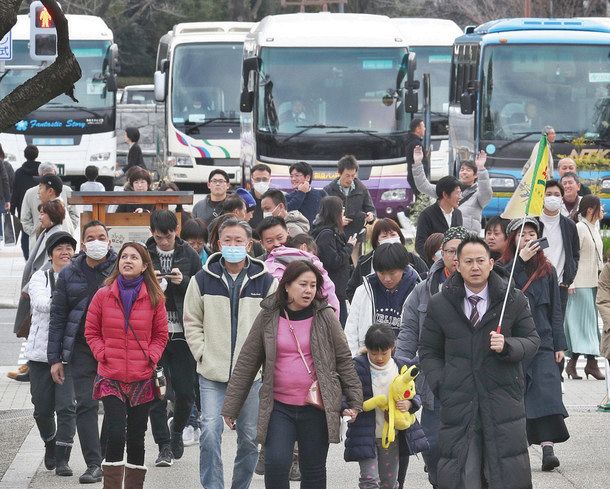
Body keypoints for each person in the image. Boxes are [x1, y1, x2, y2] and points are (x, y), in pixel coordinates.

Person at [221, 260, 363, 489]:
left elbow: (344, 359)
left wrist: (355, 400)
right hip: (278, 406)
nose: (308, 290)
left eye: (313, 285)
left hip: (316, 406)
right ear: (287, 285)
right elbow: (247, 361)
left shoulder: (325, 316)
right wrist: (231, 407)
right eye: (303, 284)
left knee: (313, 469)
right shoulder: (269, 315)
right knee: (276, 463)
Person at [419, 236, 540, 489]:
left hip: (502, 398)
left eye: (480, 261)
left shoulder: (512, 299)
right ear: (457, 264)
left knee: (503, 473)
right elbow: (429, 350)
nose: (475, 267)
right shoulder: (441, 303)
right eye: (468, 261)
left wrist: (508, 346)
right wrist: (442, 383)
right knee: (465, 473)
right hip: (459, 401)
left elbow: (532, 340)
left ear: (491, 263)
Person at [183, 218, 277, 489]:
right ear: (218, 243)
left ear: (249, 244)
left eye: (239, 241)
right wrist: (202, 354)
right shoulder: (201, 279)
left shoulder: (266, 281)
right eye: (228, 240)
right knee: (210, 433)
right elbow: (192, 321)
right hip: (212, 371)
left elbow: (272, 325)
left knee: (248, 437)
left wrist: (262, 361)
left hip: (251, 374)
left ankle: (240, 485)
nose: (233, 245)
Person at [85, 242, 168, 488]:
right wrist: (103, 353)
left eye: (134, 257)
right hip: (111, 373)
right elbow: (90, 331)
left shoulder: (154, 297)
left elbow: (161, 335)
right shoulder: (103, 294)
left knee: (136, 437)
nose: (127, 260)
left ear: (144, 266)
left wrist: (151, 357)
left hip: (142, 375)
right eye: (124, 256)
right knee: (115, 432)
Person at [396, 225, 470, 488]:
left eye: (461, 252)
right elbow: (407, 333)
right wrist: (399, 369)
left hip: (470, 379)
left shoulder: (480, 289)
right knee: (432, 443)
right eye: (450, 251)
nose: (455, 257)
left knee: (468, 448)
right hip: (433, 379)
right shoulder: (422, 290)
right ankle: (439, 478)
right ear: (441, 254)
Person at [48, 221, 117, 484]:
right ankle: (93, 463)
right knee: (86, 405)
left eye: (102, 236)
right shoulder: (69, 273)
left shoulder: (120, 268)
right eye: (91, 237)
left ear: (109, 241)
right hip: (80, 348)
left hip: (113, 347)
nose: (97, 241)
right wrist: (55, 358)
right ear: (83, 242)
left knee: (113, 406)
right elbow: (58, 318)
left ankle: (105, 454)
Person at [501, 218, 569, 471]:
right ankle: (519, 450)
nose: (528, 238)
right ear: (512, 240)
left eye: (531, 234)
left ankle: (548, 448)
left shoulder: (547, 270)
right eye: (522, 235)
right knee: (519, 397)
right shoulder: (502, 267)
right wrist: (520, 261)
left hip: (543, 341)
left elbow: (556, 309)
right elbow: (502, 291)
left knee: (546, 394)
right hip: (515, 342)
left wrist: (559, 345)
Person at [146, 210, 202, 467]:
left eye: (168, 237)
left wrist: (184, 281)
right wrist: (150, 283)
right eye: (159, 238)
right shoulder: (144, 253)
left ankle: (177, 430)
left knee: (186, 392)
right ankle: (164, 446)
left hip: (182, 332)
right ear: (152, 234)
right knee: (156, 392)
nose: (164, 242)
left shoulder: (189, 254)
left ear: (175, 231)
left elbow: (201, 288)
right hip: (152, 333)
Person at [345, 324, 428, 489]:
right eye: (374, 353)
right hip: (365, 433)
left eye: (384, 352)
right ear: (367, 348)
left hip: (392, 436)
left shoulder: (401, 366)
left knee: (389, 482)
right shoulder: (358, 366)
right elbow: (346, 392)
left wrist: (411, 403)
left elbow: (416, 393)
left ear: (393, 347)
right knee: (369, 480)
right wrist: (348, 409)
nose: (379, 358)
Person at [26, 232, 77, 477]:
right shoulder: (40, 277)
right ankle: (50, 442)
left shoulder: (79, 278)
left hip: (68, 354)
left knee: (67, 407)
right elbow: (40, 304)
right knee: (42, 409)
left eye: (69, 247)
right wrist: (69, 301)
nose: (65, 252)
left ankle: (63, 458)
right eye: (59, 248)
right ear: (50, 254)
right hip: (40, 355)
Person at [345, 242, 420, 356]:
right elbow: (351, 332)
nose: (387, 279)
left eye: (392, 273)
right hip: (367, 360)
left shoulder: (417, 292)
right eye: (381, 273)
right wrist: (355, 361)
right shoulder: (363, 291)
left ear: (403, 268)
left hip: (404, 362)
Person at [260, 217, 340, 317]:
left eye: (280, 238)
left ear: (287, 233)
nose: (276, 244)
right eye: (269, 241)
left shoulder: (307, 259)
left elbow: (328, 291)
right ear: (261, 243)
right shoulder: (260, 267)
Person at [564, 195, 605, 381]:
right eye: (599, 207)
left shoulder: (594, 228)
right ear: (590, 209)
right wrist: (570, 281)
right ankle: (590, 363)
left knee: (587, 325)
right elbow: (571, 255)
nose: (602, 210)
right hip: (579, 283)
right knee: (583, 325)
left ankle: (577, 364)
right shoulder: (580, 228)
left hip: (593, 283)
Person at [413, 147, 491, 234]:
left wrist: (481, 168)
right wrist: (417, 163)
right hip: (446, 241)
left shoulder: (478, 195)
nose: (464, 172)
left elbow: (486, 193)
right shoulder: (447, 189)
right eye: (462, 169)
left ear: (476, 175)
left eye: (468, 170)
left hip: (467, 242)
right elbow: (423, 186)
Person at [347, 218, 428, 301]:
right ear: (376, 241)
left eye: (393, 235)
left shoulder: (413, 261)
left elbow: (426, 285)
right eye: (384, 236)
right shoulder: (365, 262)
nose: (389, 239)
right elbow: (352, 290)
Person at [311, 196, 358, 326]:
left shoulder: (330, 230)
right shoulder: (327, 234)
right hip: (332, 290)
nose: (343, 213)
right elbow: (334, 261)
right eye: (341, 210)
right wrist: (349, 247)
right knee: (340, 327)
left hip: (337, 289)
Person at [538, 180, 580, 314]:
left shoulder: (569, 225)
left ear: (562, 199)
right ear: (542, 197)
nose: (552, 198)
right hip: (537, 283)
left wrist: (569, 278)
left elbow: (575, 254)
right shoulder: (533, 223)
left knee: (557, 326)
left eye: (556, 195)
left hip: (560, 285)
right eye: (548, 194)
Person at [323, 155, 376, 261]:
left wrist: (371, 216)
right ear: (339, 173)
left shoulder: (362, 189)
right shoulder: (328, 190)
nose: (350, 179)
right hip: (336, 236)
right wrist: (338, 221)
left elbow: (371, 209)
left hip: (357, 234)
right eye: (347, 175)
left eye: (353, 176)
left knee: (357, 265)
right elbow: (323, 216)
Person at [20, 163, 79, 250]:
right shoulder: (56, 205)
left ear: (50, 191)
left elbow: (72, 218)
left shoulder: (55, 209)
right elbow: (25, 220)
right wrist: (36, 233)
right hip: (40, 245)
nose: (38, 191)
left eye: (41, 187)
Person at [414, 175, 463, 259]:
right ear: (445, 194)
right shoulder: (427, 215)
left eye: (460, 192)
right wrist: (434, 260)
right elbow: (420, 245)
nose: (460, 197)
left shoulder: (458, 214)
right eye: (457, 193)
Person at [11, 145, 41, 259]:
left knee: (25, 232)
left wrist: (12, 210)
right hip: (40, 206)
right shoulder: (41, 171)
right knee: (41, 230)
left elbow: (15, 192)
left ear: (25, 155)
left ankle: (28, 258)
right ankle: (38, 256)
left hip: (22, 206)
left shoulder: (19, 172)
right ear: (37, 155)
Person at [286, 161, 327, 225]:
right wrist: (301, 193)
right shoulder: (288, 197)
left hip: (317, 233)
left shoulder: (321, 194)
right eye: (291, 176)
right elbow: (288, 212)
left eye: (297, 175)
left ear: (307, 177)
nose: (293, 179)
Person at [405, 118, 428, 196]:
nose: (425, 129)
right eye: (423, 126)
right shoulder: (416, 144)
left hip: (414, 177)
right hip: (418, 179)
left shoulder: (411, 141)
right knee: (423, 200)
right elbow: (418, 162)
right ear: (418, 129)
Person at [249, 163, 272, 231]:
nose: (261, 182)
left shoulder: (276, 197)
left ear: (270, 179)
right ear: (252, 180)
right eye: (258, 179)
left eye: (264, 179)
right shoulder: (245, 199)